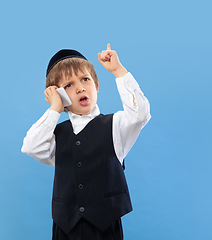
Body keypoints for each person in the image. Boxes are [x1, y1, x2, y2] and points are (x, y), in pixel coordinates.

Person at [21, 44, 151, 240]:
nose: (80, 87)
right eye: (68, 85)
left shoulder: (116, 126)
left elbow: (140, 114)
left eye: (85, 79)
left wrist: (118, 71)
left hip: (104, 228)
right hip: (65, 228)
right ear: (60, 95)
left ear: (96, 86)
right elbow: (31, 147)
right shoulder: (55, 134)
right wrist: (55, 108)